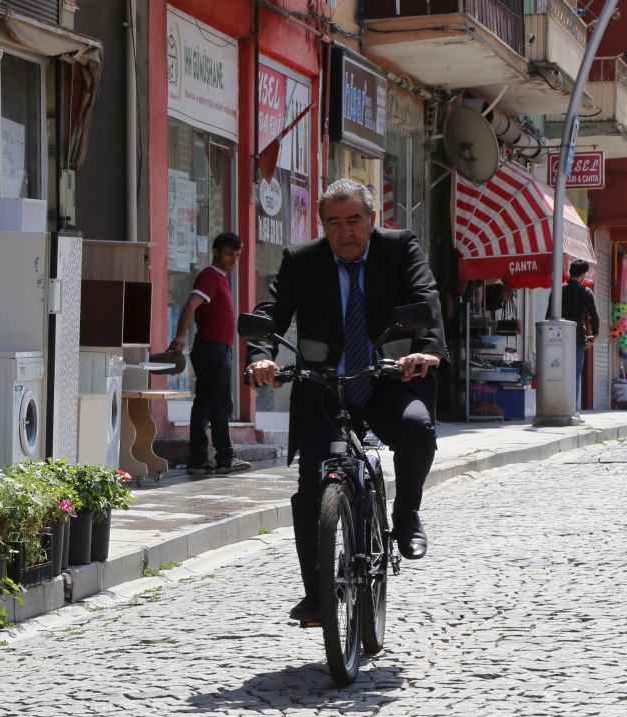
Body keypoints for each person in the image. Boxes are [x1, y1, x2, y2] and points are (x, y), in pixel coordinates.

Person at [246, 179, 446, 623]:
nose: (345, 230)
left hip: (387, 380)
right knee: (310, 489)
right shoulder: (302, 261)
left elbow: (425, 299)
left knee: (417, 430)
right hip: (324, 388)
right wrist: (261, 358)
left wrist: (427, 351)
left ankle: (407, 512)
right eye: (333, 222)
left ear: (372, 220)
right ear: (323, 226)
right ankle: (317, 596)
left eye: (354, 219)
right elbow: (270, 313)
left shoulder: (399, 249)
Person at [170, 232, 252, 475]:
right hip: (213, 350)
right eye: (230, 254)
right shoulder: (210, 276)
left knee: (204, 405)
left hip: (214, 349)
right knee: (220, 404)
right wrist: (180, 336)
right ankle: (225, 457)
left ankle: (197, 460)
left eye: (237, 255)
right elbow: (191, 304)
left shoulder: (219, 279)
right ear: (216, 252)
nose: (234, 260)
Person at [553, 260, 600, 406]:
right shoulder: (586, 292)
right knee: (574, 375)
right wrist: (595, 335)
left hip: (557, 339)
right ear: (583, 275)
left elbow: (549, 314)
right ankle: (571, 409)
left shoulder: (559, 290)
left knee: (556, 373)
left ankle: (555, 405)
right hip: (577, 339)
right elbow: (594, 315)